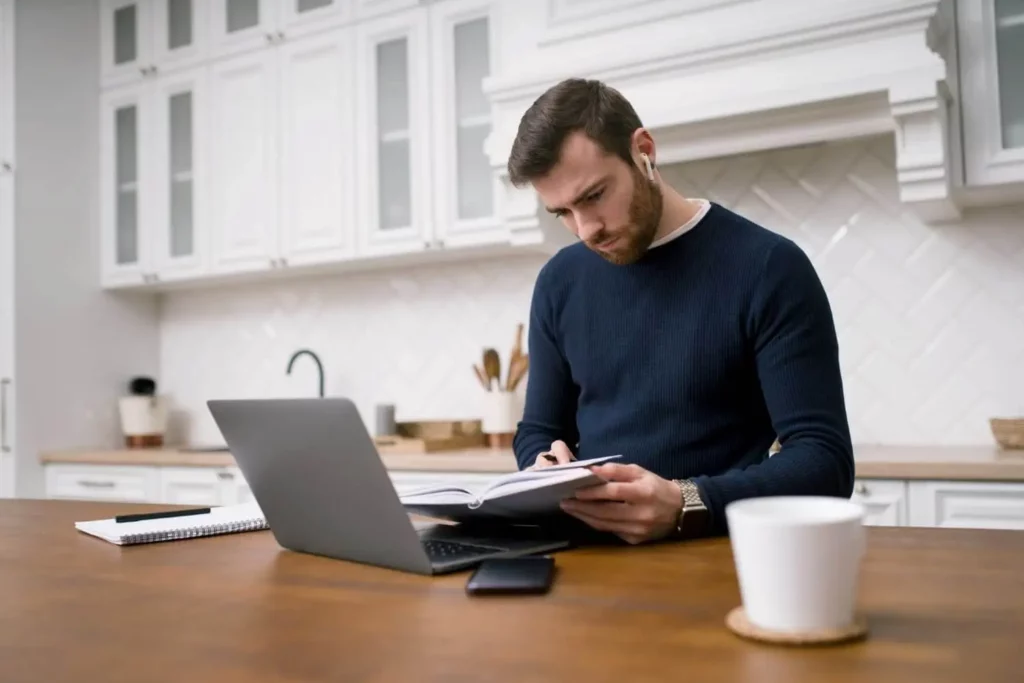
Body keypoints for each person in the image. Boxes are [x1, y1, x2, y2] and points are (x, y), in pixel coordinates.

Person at [507, 77, 855, 544]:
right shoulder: (558, 282)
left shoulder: (768, 267)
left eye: (593, 196)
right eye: (562, 213)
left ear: (644, 151)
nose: (585, 228)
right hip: (587, 564)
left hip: (716, 560)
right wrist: (542, 467)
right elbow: (539, 430)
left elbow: (825, 462)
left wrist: (686, 501)